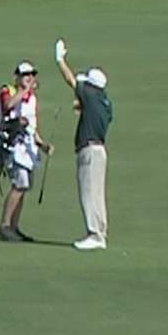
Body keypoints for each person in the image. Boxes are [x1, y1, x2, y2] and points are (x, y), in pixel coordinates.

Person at [54, 39, 113, 251]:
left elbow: (71, 80)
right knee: (96, 194)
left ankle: (95, 235)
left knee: (89, 193)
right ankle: (99, 233)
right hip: (99, 151)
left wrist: (60, 60)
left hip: (89, 151)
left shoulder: (90, 94)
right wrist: (82, 106)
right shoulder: (105, 102)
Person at [0, 60, 53, 242]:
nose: (29, 78)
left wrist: (42, 145)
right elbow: (8, 106)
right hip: (13, 146)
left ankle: (13, 226)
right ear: (17, 77)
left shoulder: (32, 99)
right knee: (19, 185)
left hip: (28, 148)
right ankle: (4, 225)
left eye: (32, 75)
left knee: (24, 186)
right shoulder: (8, 90)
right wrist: (25, 90)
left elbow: (32, 128)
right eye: (26, 75)